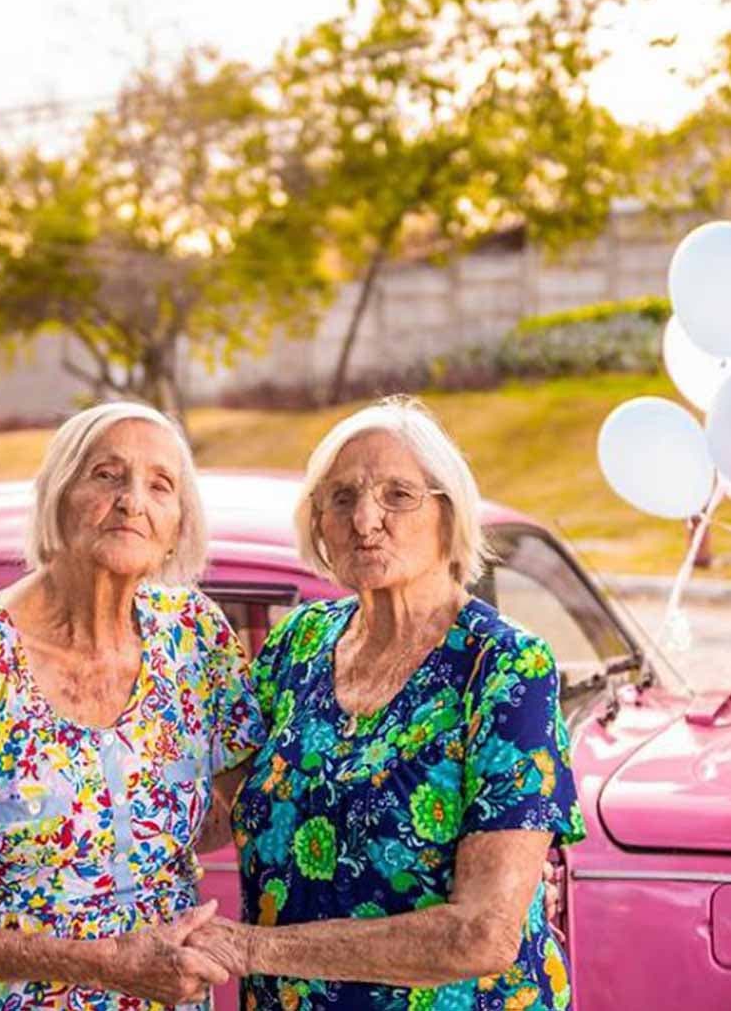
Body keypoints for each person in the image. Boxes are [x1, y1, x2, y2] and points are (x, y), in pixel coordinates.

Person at [188, 396, 586, 1010]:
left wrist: (250, 951)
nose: (365, 519)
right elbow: (212, 808)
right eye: (341, 498)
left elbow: (483, 934)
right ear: (317, 522)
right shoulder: (298, 645)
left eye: (398, 495)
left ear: (449, 517)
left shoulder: (504, 666)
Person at [0, 402, 266, 1010]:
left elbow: (253, 800)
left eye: (160, 485)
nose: (133, 500)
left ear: (176, 527)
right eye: (107, 474)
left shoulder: (195, 636)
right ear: (58, 497)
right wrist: (106, 962)